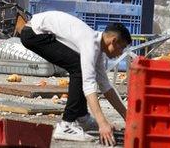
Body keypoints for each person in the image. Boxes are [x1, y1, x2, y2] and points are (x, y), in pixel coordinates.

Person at [19, 11, 131, 144]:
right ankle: (67, 124)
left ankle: (81, 116)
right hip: (34, 33)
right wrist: (102, 123)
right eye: (122, 47)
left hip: (39, 32)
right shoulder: (90, 43)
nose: (121, 53)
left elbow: (105, 85)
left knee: (80, 67)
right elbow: (89, 85)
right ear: (114, 41)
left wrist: (128, 117)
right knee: (78, 68)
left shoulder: (97, 48)